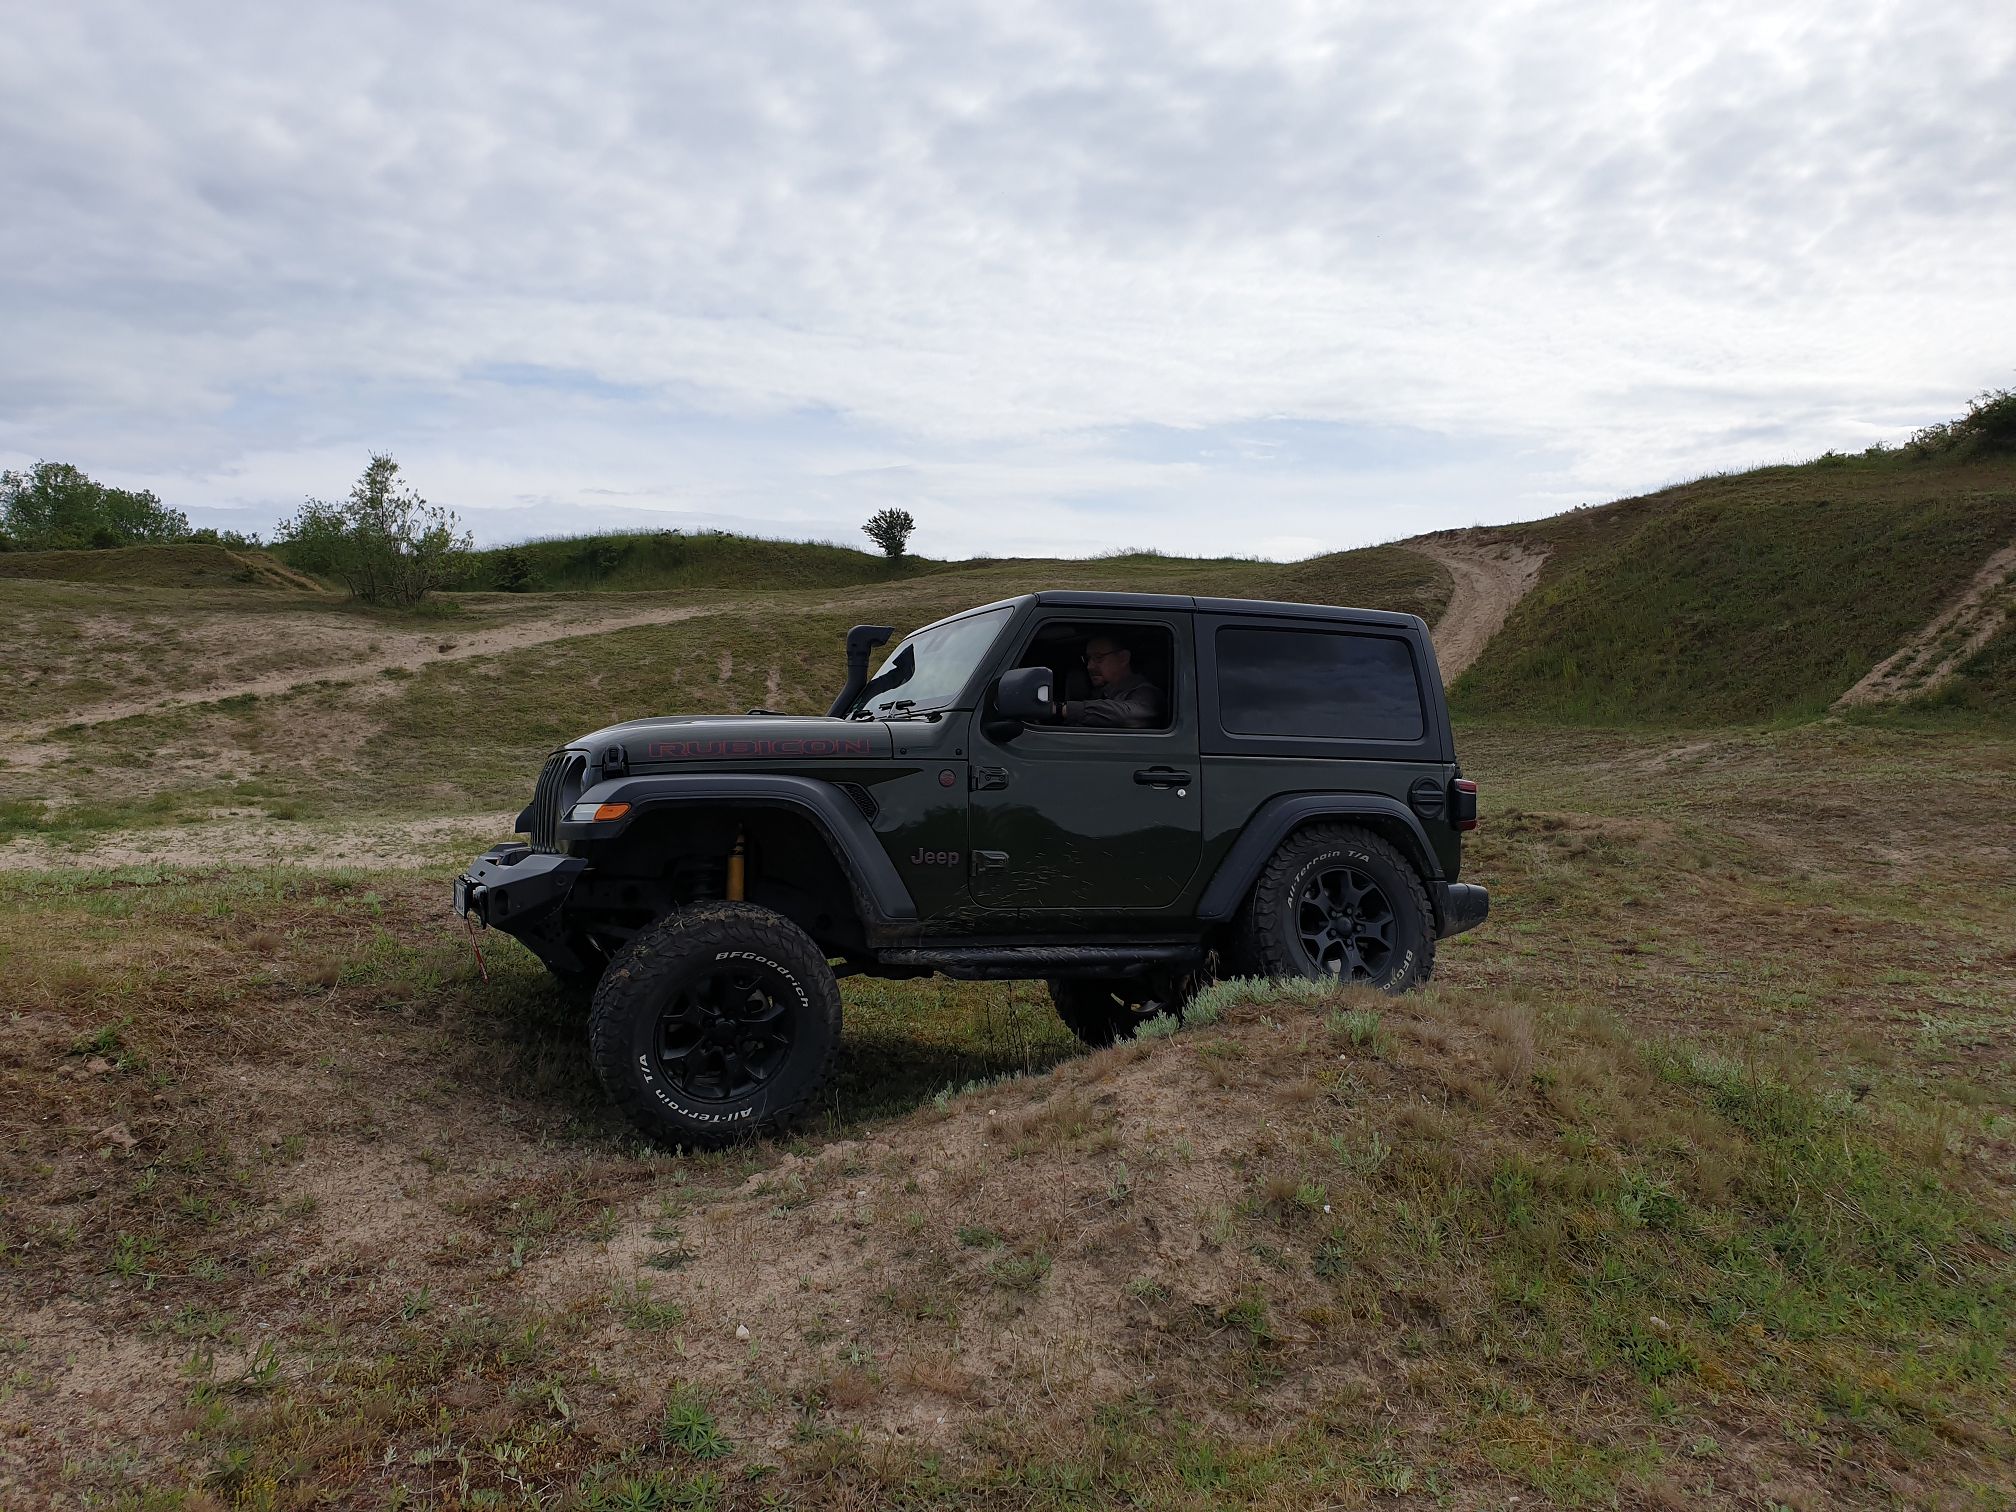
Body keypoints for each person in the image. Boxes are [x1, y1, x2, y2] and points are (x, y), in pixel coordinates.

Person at [1059, 633, 1165, 728]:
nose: (1089, 666)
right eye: (1088, 659)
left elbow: (1128, 716)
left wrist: (1066, 709)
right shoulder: (1098, 693)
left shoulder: (1147, 693)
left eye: (1098, 657)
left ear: (1123, 658)